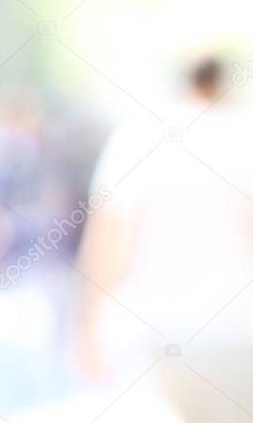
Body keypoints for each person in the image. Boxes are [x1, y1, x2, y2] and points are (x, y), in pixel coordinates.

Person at [73, 56, 253, 421]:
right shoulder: (243, 135)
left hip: (154, 333)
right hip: (237, 334)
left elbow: (107, 242)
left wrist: (86, 327)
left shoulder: (138, 137)